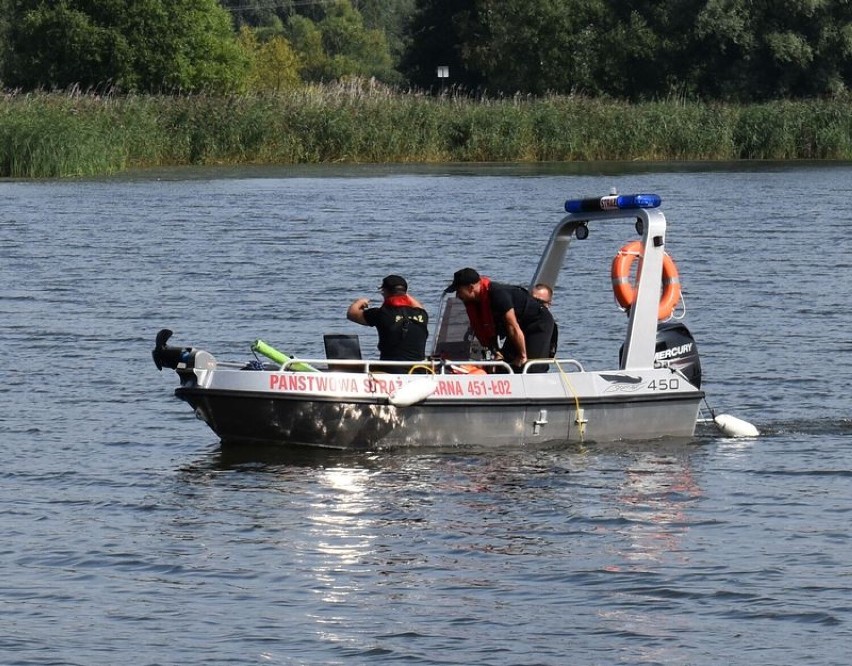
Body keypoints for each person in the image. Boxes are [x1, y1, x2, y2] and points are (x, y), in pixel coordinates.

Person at [445, 268, 554, 373]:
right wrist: (496, 352)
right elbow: (484, 330)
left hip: (538, 322)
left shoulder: (498, 294)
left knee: (530, 365)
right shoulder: (473, 301)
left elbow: (512, 327)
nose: (457, 295)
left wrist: (522, 355)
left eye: (459, 291)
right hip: (520, 326)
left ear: (470, 288)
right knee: (506, 362)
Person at [347, 274, 429, 371]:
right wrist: (403, 294)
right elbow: (419, 307)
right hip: (418, 371)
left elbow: (352, 314)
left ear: (385, 292)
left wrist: (360, 302)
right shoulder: (422, 315)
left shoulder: (381, 314)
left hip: (390, 370)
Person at [532, 283, 559, 358]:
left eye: (540, 302)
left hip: (538, 366)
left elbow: (552, 352)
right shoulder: (518, 320)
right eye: (533, 300)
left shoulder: (552, 326)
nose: (536, 305)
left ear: (549, 304)